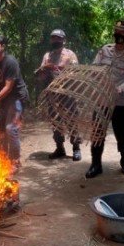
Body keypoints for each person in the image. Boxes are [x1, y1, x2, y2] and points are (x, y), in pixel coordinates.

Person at [85, 20, 124, 178]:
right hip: (101, 99)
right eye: (116, 31)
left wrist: (121, 88)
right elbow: (95, 68)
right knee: (97, 132)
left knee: (121, 133)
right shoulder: (105, 50)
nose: (118, 34)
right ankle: (96, 164)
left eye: (122, 32)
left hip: (120, 102)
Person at [0, 34, 30, 174]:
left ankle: (15, 162)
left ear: (2, 46)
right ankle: (3, 160)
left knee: (10, 129)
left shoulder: (10, 62)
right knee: (1, 131)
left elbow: (8, 87)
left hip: (17, 97)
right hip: (4, 100)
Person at [34, 29, 82, 161]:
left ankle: (76, 148)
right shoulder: (47, 56)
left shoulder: (70, 55)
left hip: (67, 94)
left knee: (72, 120)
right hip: (52, 95)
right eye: (54, 38)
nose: (56, 40)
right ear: (51, 40)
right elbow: (41, 75)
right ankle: (60, 148)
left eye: (58, 38)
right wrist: (42, 71)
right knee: (55, 122)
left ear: (63, 40)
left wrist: (58, 71)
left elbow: (75, 73)